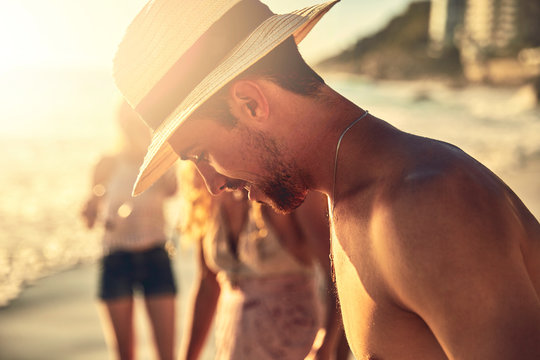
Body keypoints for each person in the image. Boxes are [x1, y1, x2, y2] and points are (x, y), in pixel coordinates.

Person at [113, 1, 540, 359]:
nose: (211, 184)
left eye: (202, 155)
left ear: (251, 103)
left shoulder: (426, 204)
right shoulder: (347, 198)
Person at [177, 163, 347, 359]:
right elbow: (208, 283)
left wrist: (325, 346)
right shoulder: (204, 191)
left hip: (295, 344)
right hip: (234, 342)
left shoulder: (284, 184)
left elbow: (338, 273)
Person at [81, 100, 178, 360]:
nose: (133, 127)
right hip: (116, 259)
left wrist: (153, 153)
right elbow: (89, 219)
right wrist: (90, 210)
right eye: (129, 121)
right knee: (125, 356)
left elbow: (173, 191)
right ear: (120, 124)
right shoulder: (106, 164)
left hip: (156, 255)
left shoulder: (159, 161)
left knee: (167, 355)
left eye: (140, 122)